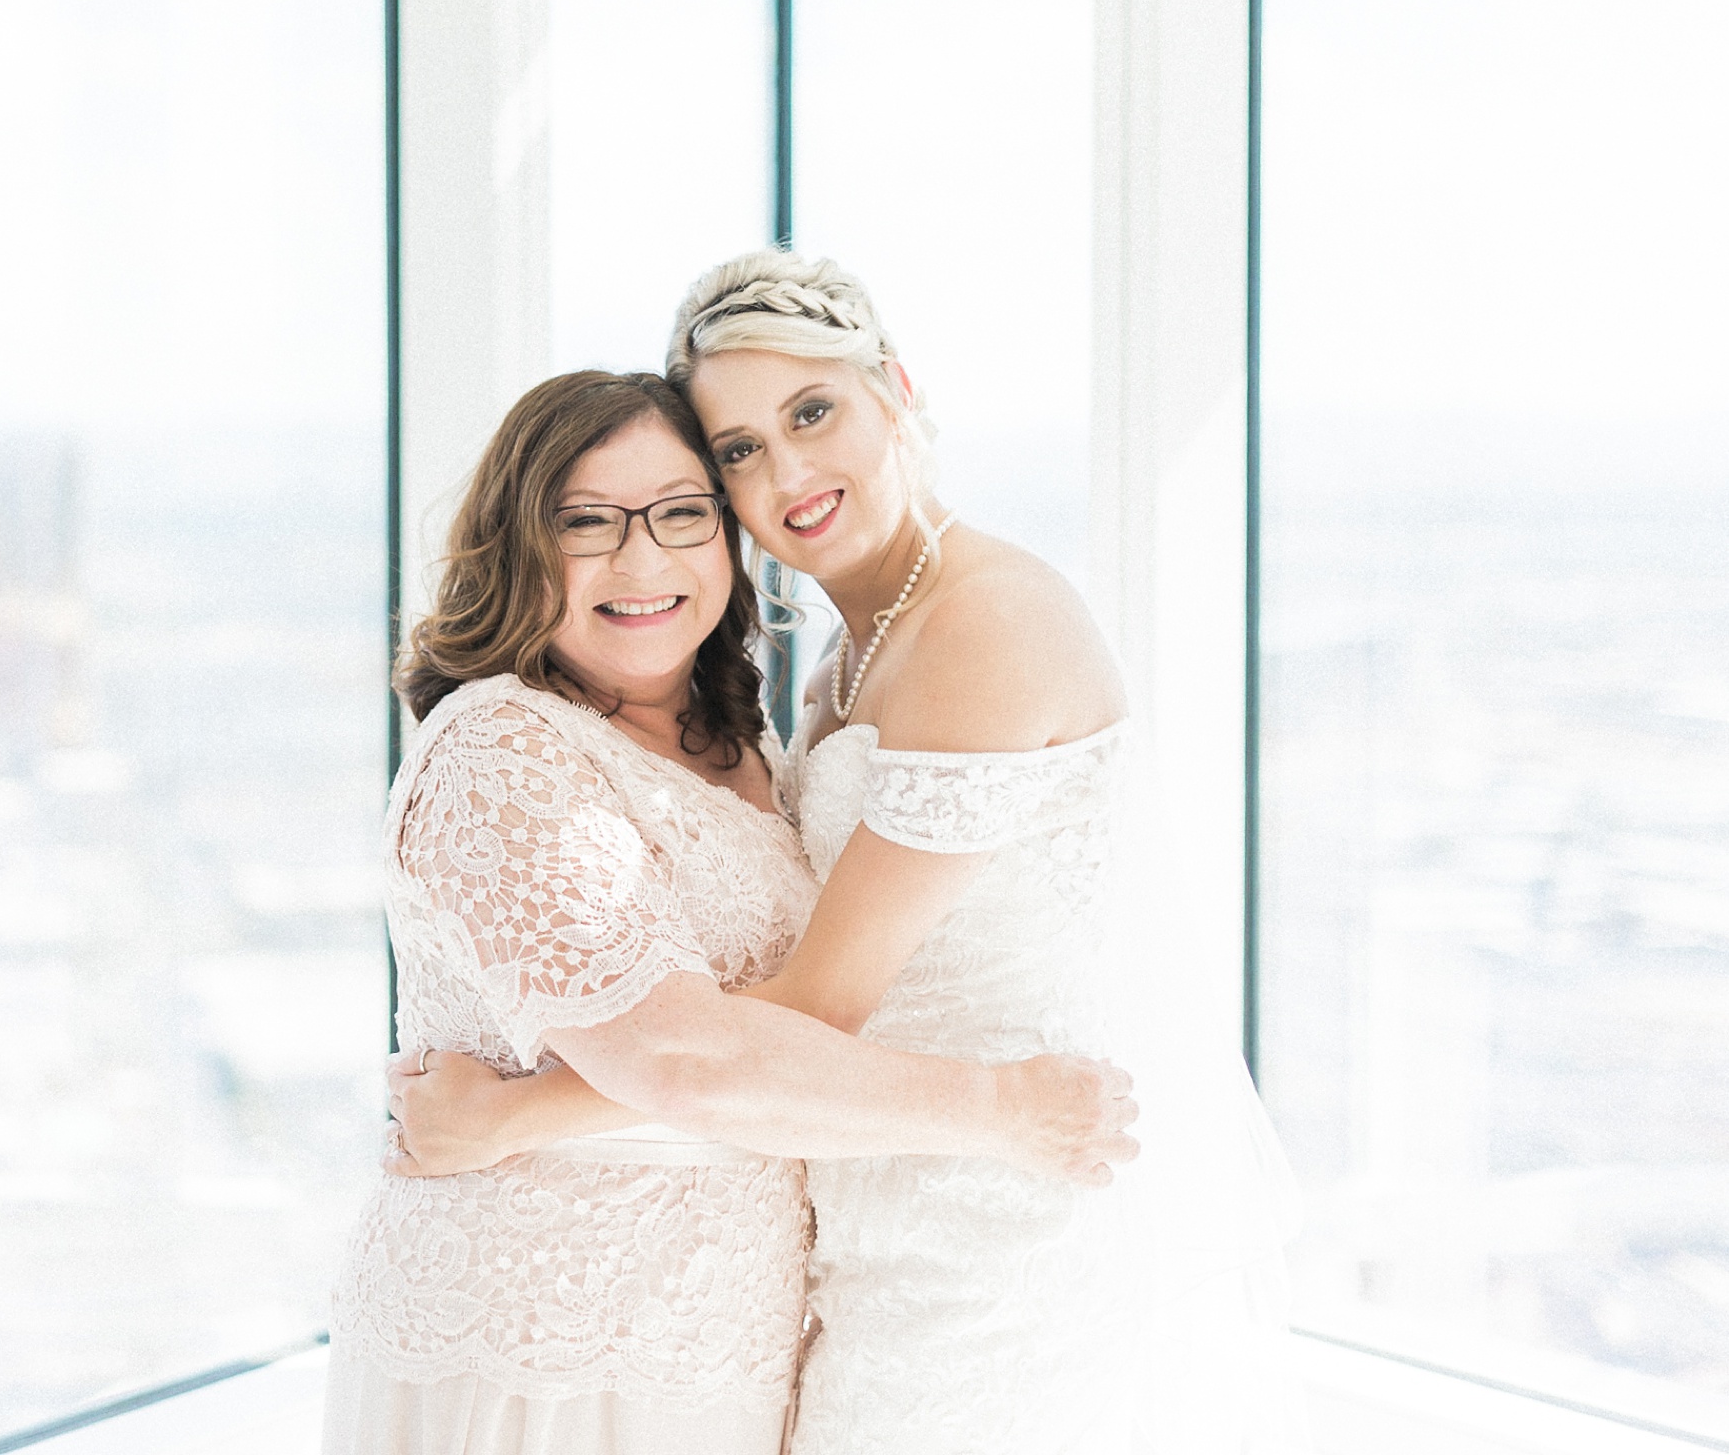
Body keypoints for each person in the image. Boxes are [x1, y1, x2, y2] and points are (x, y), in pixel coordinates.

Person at [395, 262, 1299, 1455]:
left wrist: (508, 1117)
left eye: (810, 413)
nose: (786, 475)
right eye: (738, 451)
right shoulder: (838, 663)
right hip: (879, 1191)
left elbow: (813, 1003)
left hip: (1006, 1212)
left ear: (895, 392)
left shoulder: (988, 620)